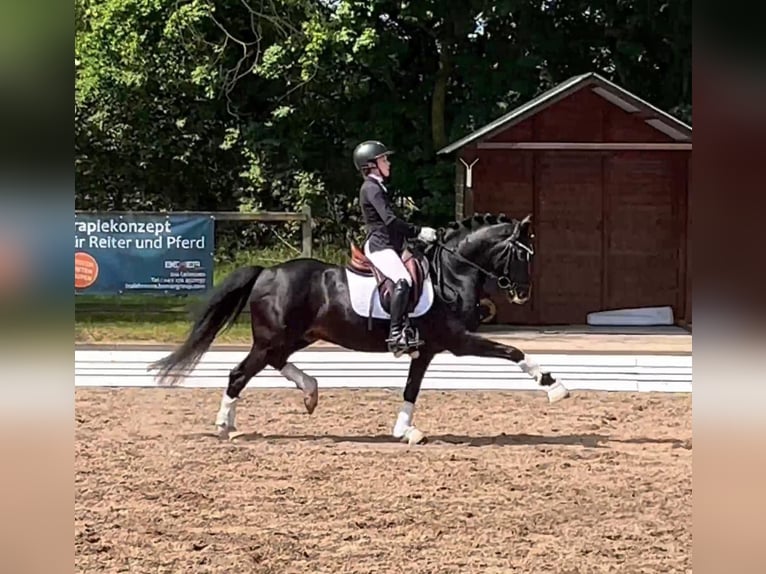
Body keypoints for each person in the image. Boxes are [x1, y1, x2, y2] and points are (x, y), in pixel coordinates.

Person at [352, 140, 438, 355]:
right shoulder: (371, 188)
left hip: (391, 244)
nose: (388, 163)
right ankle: (396, 333)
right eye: (383, 159)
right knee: (403, 279)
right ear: (371, 165)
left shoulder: (378, 187)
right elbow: (390, 221)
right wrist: (417, 231)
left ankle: (408, 328)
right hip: (380, 246)